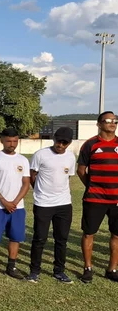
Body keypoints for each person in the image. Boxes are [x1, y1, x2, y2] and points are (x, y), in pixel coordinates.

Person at [26, 127, 76, 284]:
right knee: (39, 238)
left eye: (64, 142)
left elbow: (67, 178)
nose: (60, 145)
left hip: (64, 204)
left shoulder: (71, 157)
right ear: (53, 139)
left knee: (61, 239)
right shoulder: (40, 155)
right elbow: (32, 176)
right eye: (58, 141)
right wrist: (40, 193)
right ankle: (34, 272)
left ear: (69, 143)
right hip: (43, 204)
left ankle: (59, 271)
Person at [0, 127, 30, 280]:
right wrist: (4, 201)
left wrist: (14, 202)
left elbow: (26, 184)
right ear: (1, 140)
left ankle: (11, 266)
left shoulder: (23, 160)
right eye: (8, 141)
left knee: (15, 238)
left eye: (15, 141)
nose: (12, 144)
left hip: (17, 207)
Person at [77, 111, 118, 283]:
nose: (112, 123)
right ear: (99, 124)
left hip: (116, 200)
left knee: (116, 235)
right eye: (108, 120)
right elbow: (81, 170)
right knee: (89, 233)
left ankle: (112, 269)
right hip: (94, 199)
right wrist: (93, 187)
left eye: (115, 120)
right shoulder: (90, 144)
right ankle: (88, 268)